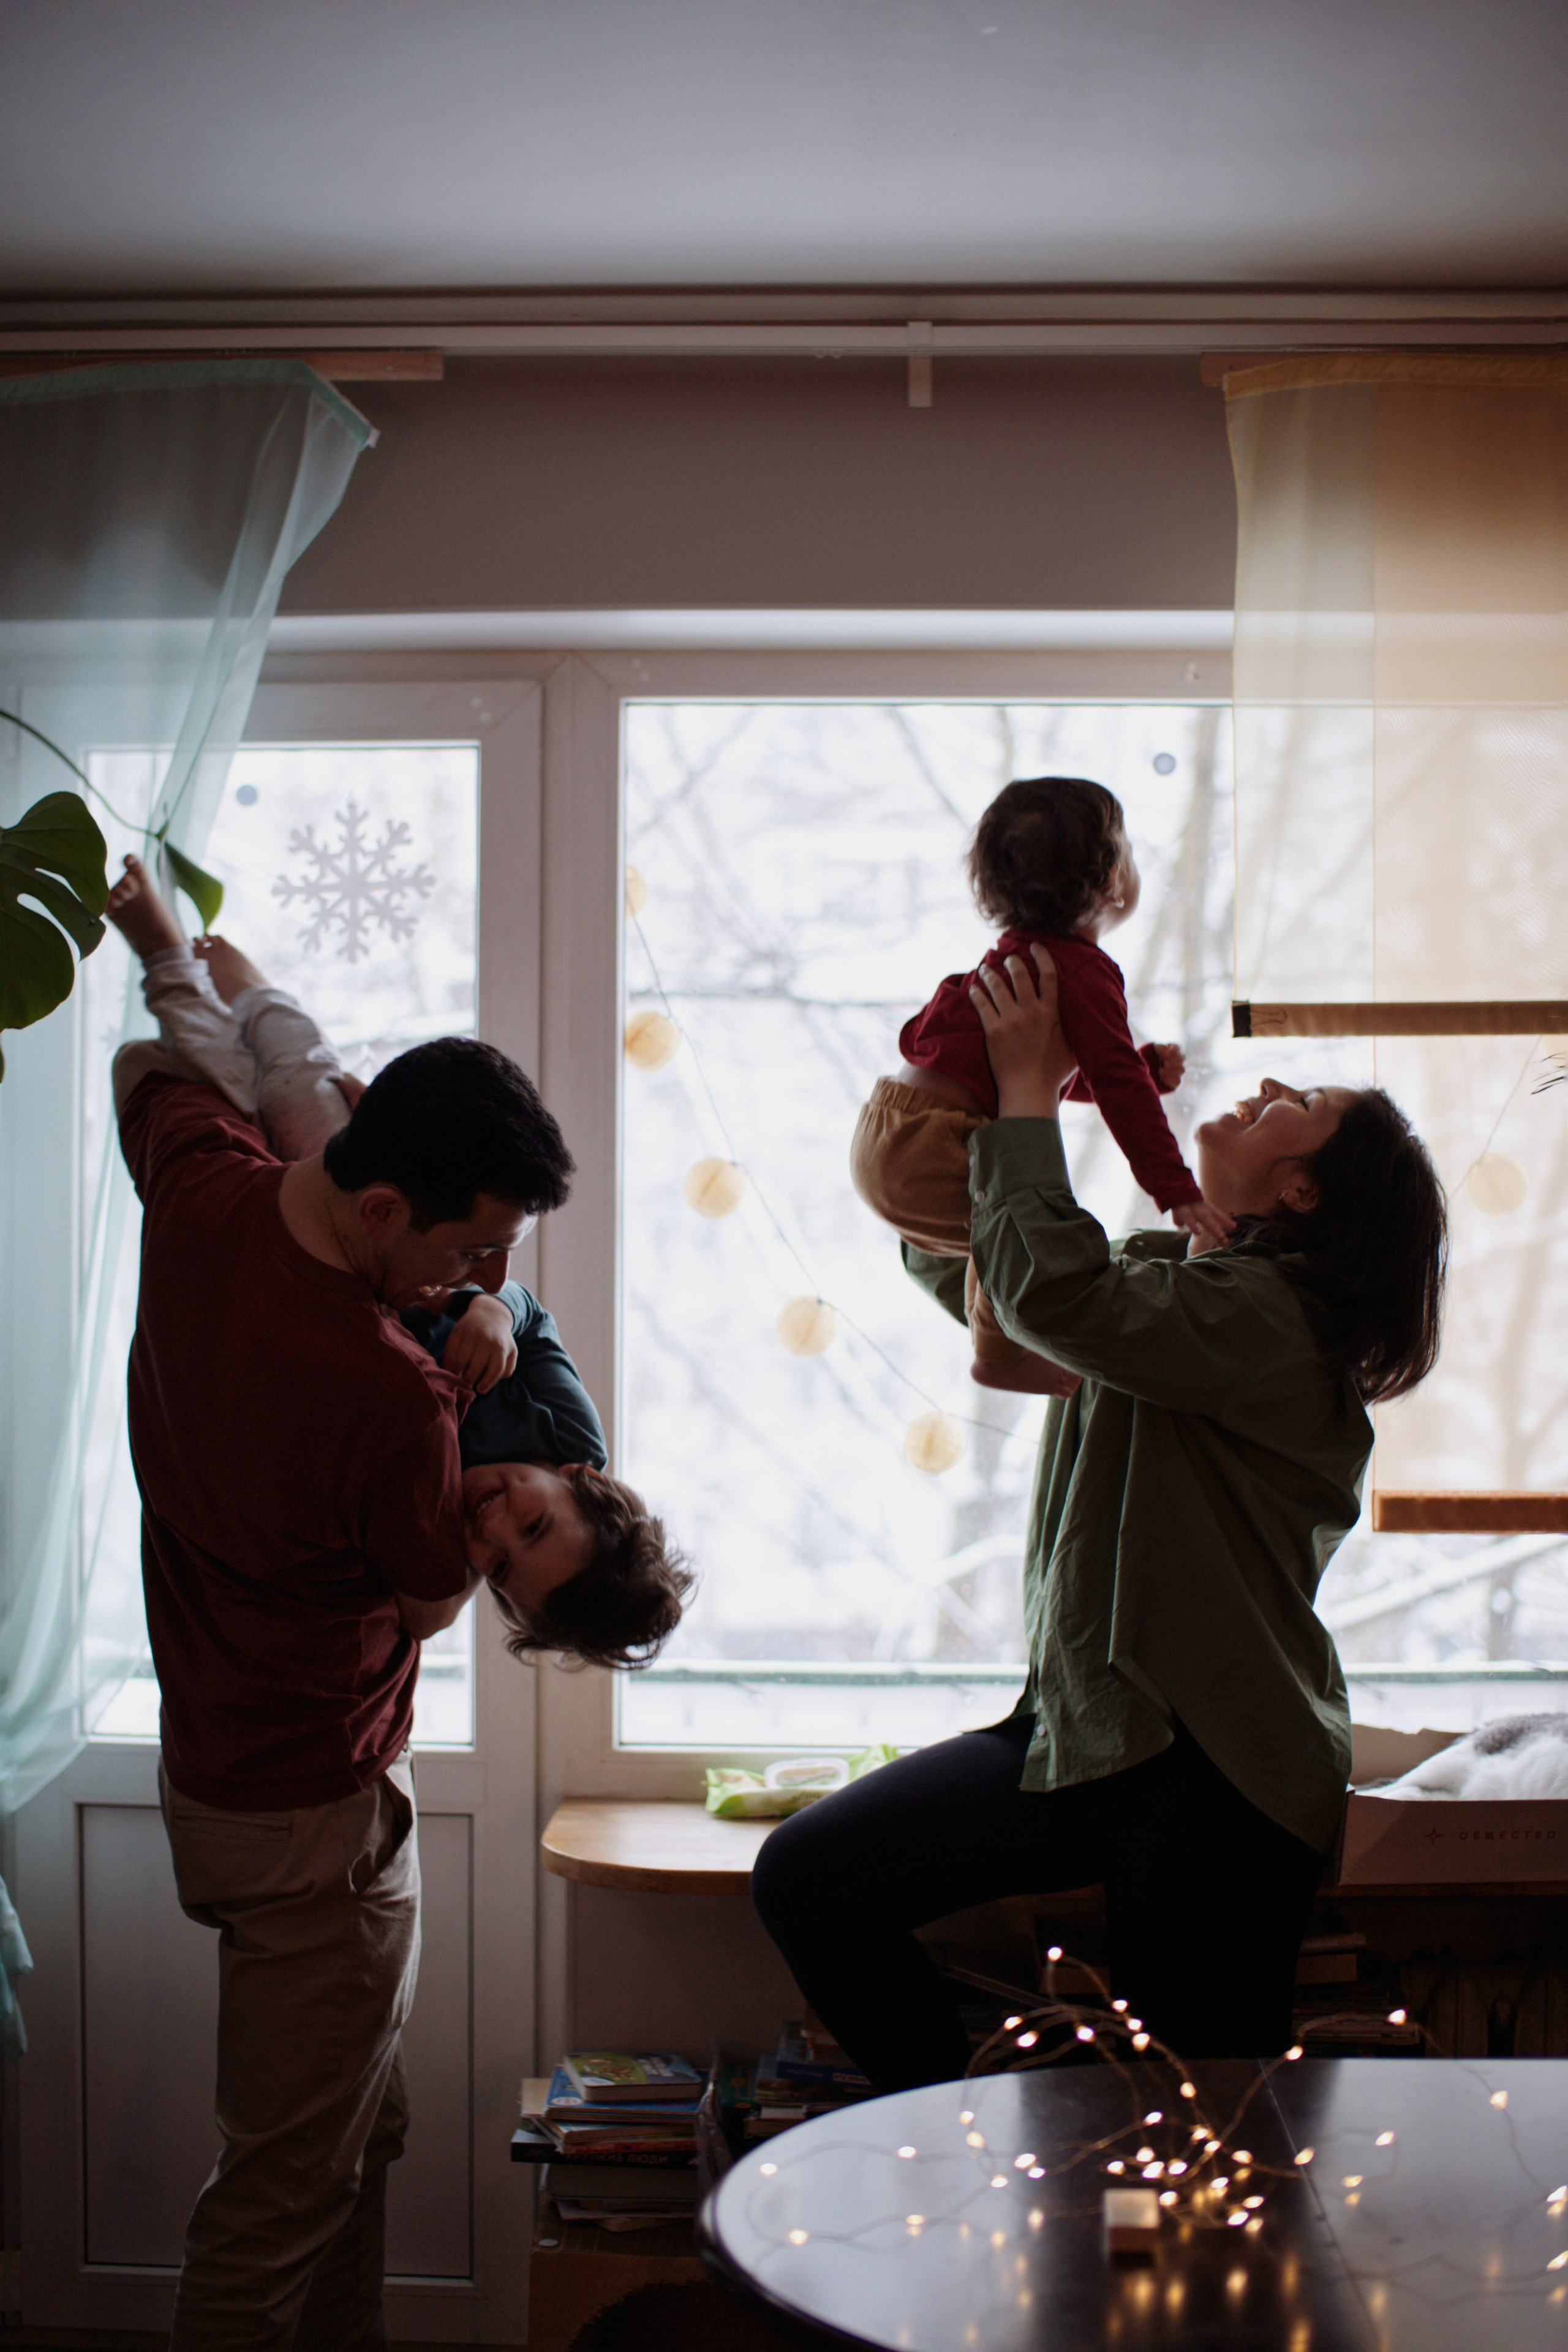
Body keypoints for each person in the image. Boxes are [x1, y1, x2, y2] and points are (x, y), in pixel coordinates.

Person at [105, 856, 676, 2352]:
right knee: (286, 2188)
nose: (483, 1274)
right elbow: (431, 1596)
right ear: (375, 1206)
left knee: (353, 2142)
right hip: (306, 1807)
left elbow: (147, 1077)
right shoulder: (389, 1398)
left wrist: (188, 973)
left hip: (238, 1771)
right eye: (466, 1245)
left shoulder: (201, 1190)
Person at [756, 941, 1447, 2089]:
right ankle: (974, 2133)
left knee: (1205, 2133)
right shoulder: (1172, 1284)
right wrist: (981, 1099)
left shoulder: (1270, 1323)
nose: (1268, 1092)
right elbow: (975, 1276)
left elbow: (1049, 1292)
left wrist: (1031, 1095)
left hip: (1219, 1773)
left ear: (1302, 1193)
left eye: (1302, 1106)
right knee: (810, 1879)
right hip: (1089, 1734)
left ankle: (1045, 2165)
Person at [107, 854, 692, 1671]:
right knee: (300, 1075)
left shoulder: (419, 1462)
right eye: (531, 1526)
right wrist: (494, 1311)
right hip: (361, 1226)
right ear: (581, 1483)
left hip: (371, 1259)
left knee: (231, 1084)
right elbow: (532, 1317)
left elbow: (426, 1605)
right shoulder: (565, 1431)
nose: (489, 1528)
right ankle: (242, 988)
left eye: (498, 1567)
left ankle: (178, 970)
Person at [850, 775, 1233, 1394]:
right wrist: (1174, 1187)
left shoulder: (1012, 960)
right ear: (1112, 882)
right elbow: (1115, 1091)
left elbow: (1029, 1077)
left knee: (998, 1218)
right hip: (934, 1147)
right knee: (1019, 1230)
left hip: (887, 1128)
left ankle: (999, 1344)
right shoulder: (1084, 973)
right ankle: (1000, 1353)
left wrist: (1135, 1067)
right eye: (1128, 853)